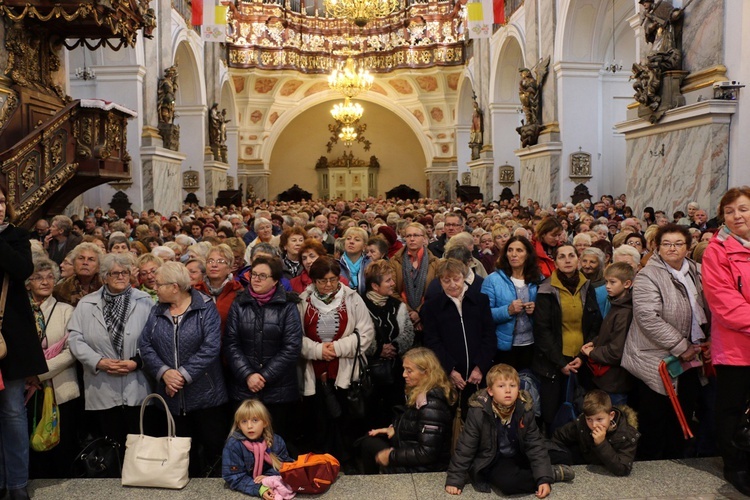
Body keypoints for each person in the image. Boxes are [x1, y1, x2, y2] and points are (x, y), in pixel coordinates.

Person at [621, 224, 708, 460]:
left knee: (683, 415)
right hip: (655, 358)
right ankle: (652, 471)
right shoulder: (648, 274)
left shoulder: (697, 271)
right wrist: (681, 347)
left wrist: (705, 341)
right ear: (657, 247)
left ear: (688, 247)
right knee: (655, 419)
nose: (673, 248)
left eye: (679, 243)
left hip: (692, 357)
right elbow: (648, 317)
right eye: (667, 244)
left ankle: (676, 465)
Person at [138, 261, 229, 477]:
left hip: (206, 397)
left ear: (174, 287)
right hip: (171, 400)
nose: (155, 288)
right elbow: (145, 345)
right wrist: (164, 373)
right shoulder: (157, 310)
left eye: (159, 284)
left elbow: (211, 347)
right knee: (182, 460)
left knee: (213, 453)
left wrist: (180, 376)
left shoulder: (205, 308)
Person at [67, 253, 154, 450]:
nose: (121, 276)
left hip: (137, 383)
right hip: (102, 384)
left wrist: (137, 361)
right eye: (115, 273)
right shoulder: (86, 304)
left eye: (125, 272)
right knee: (110, 446)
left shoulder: (145, 301)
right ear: (104, 277)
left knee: (139, 446)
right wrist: (98, 361)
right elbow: (75, 338)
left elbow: (156, 339)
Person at [445, 364, 572, 498]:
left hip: (519, 452)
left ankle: (540, 472)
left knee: (564, 456)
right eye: (501, 386)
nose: (508, 391)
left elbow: (534, 445)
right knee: (509, 484)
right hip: (494, 458)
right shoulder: (478, 412)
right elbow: (465, 448)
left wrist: (543, 478)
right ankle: (553, 473)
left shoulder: (524, 408)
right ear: (490, 391)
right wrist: (454, 480)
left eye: (512, 386)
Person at [297, 257, 374, 462]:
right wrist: (318, 350)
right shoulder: (303, 300)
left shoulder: (352, 298)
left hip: (345, 370)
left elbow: (366, 334)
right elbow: (294, 337)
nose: (329, 285)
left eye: (333, 279)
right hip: (315, 370)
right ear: (314, 280)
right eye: (323, 281)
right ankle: (320, 462)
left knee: (345, 421)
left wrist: (337, 348)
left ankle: (346, 461)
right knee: (319, 421)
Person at [0, 185, 48, 499]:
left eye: (2, 201)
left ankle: (17, 483)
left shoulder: (17, 236)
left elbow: (21, 269)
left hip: (9, 337)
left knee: (13, 413)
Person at [701, 186, 750, 495]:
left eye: (743, 209)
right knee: (731, 409)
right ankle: (736, 465)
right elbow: (725, 303)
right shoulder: (717, 251)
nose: (737, 216)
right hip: (736, 348)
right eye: (730, 211)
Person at [223, 256, 302, 438]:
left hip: (279, 389)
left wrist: (264, 376)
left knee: (275, 441)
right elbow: (231, 343)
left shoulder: (288, 306)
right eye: (254, 274)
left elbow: (291, 347)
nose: (256, 279)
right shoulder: (239, 302)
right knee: (244, 442)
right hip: (244, 387)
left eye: (263, 276)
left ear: (275, 280)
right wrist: (249, 375)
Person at [533, 244, 602, 434]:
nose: (567, 260)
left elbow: (596, 323)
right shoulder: (546, 289)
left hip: (582, 360)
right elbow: (542, 330)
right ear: (555, 262)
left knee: (581, 409)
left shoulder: (587, 287)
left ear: (578, 260)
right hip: (553, 362)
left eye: (571, 255)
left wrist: (583, 355)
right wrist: (561, 362)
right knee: (552, 413)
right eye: (562, 257)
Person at [359, 347, 456, 474]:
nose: (404, 374)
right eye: (404, 369)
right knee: (367, 441)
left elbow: (427, 453)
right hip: (412, 453)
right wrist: (393, 428)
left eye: (409, 371)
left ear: (426, 373)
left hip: (425, 469)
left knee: (369, 446)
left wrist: (391, 456)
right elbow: (414, 425)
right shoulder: (420, 393)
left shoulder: (432, 405)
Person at [25, 258, 79, 479]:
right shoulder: (19, 311)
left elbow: (72, 350)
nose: (45, 282)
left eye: (49, 277)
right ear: (28, 282)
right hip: (26, 389)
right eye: (38, 277)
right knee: (31, 443)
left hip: (60, 387)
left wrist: (39, 372)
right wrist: (26, 374)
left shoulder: (66, 310)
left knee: (62, 447)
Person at [421, 258, 496, 417]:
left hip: (478, 375)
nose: (452, 284)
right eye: (446, 280)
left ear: (464, 278)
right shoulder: (432, 307)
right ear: (440, 281)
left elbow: (489, 335)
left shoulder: (480, 301)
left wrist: (480, 367)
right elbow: (432, 341)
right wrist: (450, 369)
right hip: (448, 375)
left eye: (456, 279)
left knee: (478, 417)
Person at [362, 260, 415, 428]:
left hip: (395, 371)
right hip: (369, 374)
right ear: (375, 286)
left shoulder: (397, 305)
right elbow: (357, 334)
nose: (393, 284)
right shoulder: (359, 304)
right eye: (388, 281)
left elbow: (408, 332)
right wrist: (377, 349)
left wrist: (395, 347)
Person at [481, 235, 542, 370]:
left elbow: (547, 312)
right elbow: (483, 314)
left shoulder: (538, 279)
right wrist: (508, 310)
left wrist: (536, 310)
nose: (513, 254)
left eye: (519, 250)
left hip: (532, 344)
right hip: (503, 347)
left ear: (528, 254)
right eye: (510, 250)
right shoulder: (493, 280)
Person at [580, 262, 635, 406]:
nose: (607, 286)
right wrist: (595, 341)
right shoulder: (616, 305)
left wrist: (592, 352)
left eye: (613, 282)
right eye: (606, 282)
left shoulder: (624, 312)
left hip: (615, 381)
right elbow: (608, 333)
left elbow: (616, 351)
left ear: (627, 283)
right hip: (608, 379)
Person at [551, 389, 640, 477]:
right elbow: (559, 436)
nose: (594, 425)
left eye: (599, 419)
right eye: (589, 419)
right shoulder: (582, 423)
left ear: (611, 416)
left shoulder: (627, 434)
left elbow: (623, 469)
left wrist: (601, 443)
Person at [222, 400, 294, 499]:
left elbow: (287, 466)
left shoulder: (276, 441)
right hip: (248, 488)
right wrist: (260, 488)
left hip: (272, 483)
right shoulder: (233, 445)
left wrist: (269, 478)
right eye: (244, 421)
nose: (249, 426)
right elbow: (233, 476)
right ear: (239, 425)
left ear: (265, 422)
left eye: (255, 420)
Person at [391, 222, 439, 339]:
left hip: (429, 315)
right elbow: (391, 289)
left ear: (424, 238)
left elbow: (436, 292)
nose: (412, 239)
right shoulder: (394, 261)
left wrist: (419, 312)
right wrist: (409, 312)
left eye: (416, 235)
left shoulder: (436, 262)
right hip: (402, 314)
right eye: (408, 236)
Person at [194, 244, 243, 336]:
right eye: (210, 261)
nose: (214, 265)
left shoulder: (238, 292)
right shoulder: (196, 291)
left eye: (220, 261)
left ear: (229, 268)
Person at [53, 242, 103, 307]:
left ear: (98, 267)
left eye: (91, 259)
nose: (85, 262)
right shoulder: (59, 291)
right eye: (81, 258)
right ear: (73, 263)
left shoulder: (107, 290)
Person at [580, 247, 610, 318]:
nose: (587, 266)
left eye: (592, 262)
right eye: (584, 261)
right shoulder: (575, 280)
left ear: (600, 264)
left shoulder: (607, 284)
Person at [338, 227, 369, 295]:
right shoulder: (336, 264)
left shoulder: (370, 264)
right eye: (348, 238)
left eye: (357, 240)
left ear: (364, 246)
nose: (351, 242)